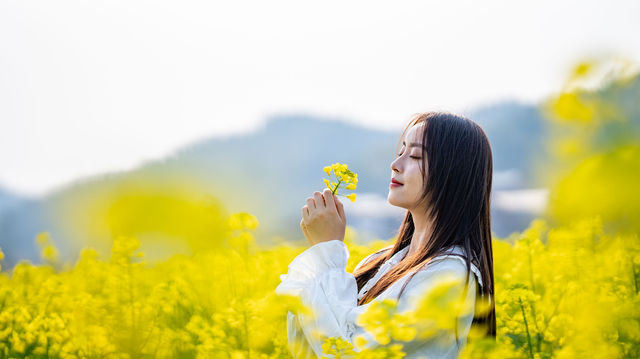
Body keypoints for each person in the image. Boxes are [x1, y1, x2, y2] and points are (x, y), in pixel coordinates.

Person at [275, 112, 496, 358]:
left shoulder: (450, 277)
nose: (395, 164)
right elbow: (312, 344)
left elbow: (349, 351)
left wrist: (328, 249)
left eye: (415, 156)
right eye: (400, 152)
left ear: (452, 172)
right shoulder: (380, 263)